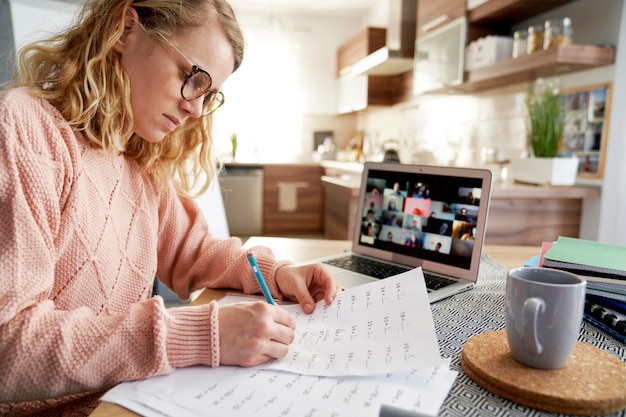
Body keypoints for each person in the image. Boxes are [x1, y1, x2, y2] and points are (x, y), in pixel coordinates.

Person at [0, 1, 340, 415]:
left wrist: (277, 272)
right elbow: (9, 342)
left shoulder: (139, 159)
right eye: (191, 77)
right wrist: (198, 334)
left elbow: (194, 253)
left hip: (125, 401)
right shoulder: (25, 129)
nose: (195, 108)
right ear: (126, 31)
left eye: (208, 94)